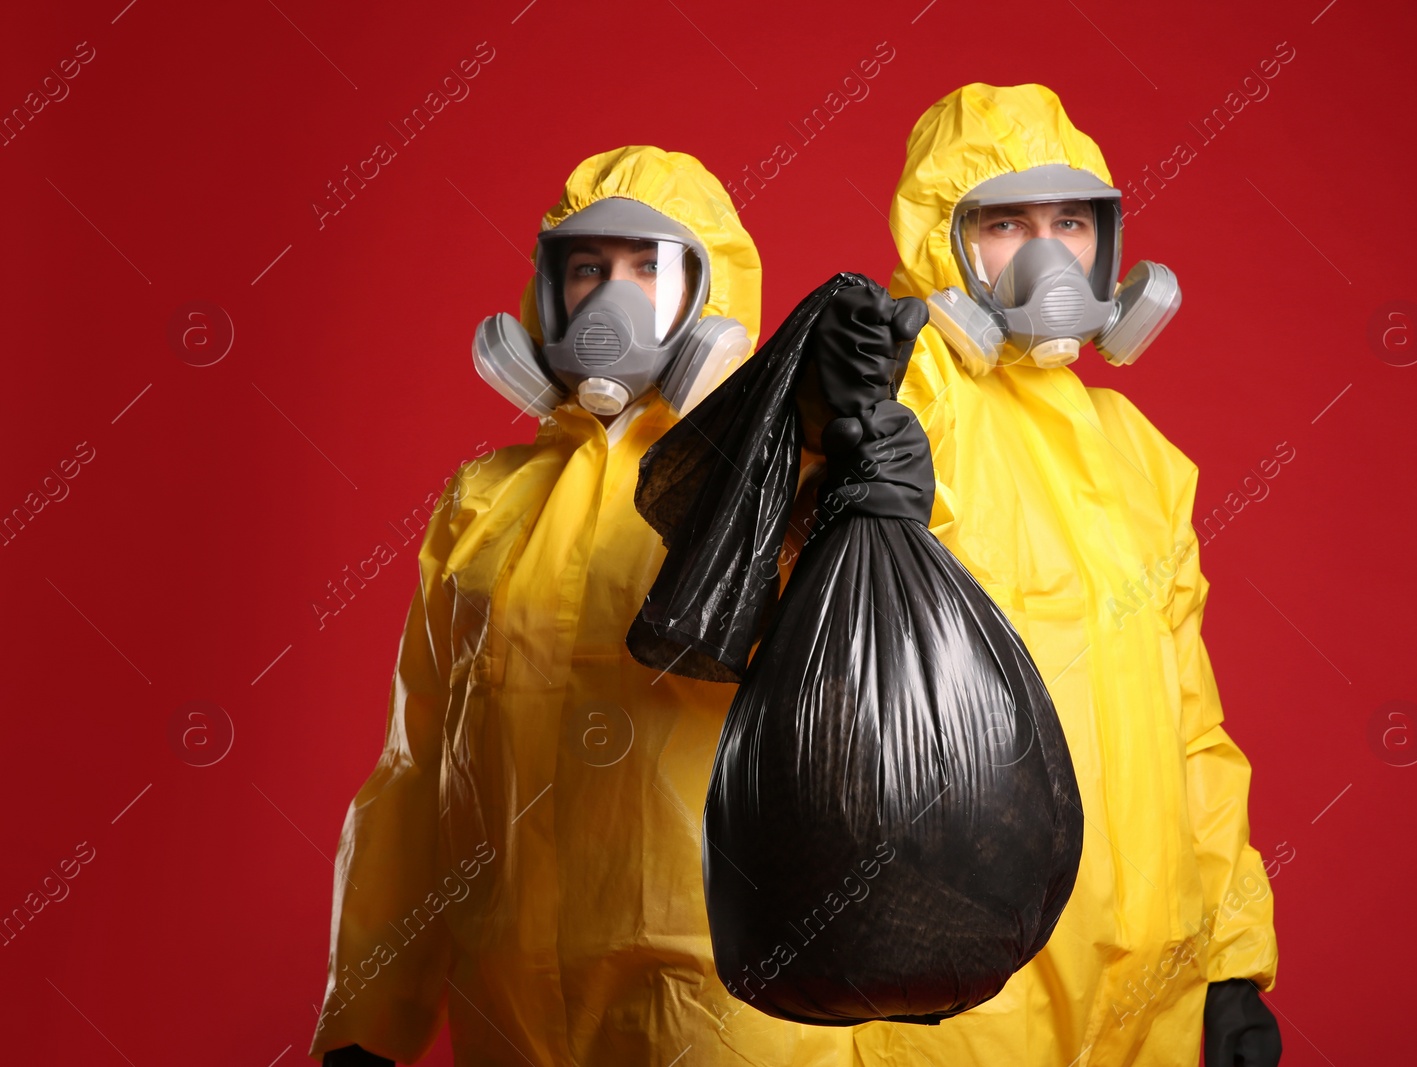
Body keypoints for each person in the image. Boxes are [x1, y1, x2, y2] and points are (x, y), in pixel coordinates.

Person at [308, 146, 856, 1066]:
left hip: (720, 1010)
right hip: (513, 1009)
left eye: (651, 269)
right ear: (546, 297)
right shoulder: (481, 505)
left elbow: (859, 731)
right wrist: (370, 1015)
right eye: (589, 269)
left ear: (712, 305)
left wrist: (847, 475)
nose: (615, 299)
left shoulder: (773, 492)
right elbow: (414, 777)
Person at [816, 83, 1282, 1065]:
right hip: (964, 972)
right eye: (1004, 224)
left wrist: (1232, 960)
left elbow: (1192, 726)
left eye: (1071, 221)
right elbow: (794, 635)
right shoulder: (900, 402)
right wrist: (832, 429)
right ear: (944, 242)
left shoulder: (1139, 457)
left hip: (1150, 967)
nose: (1047, 255)